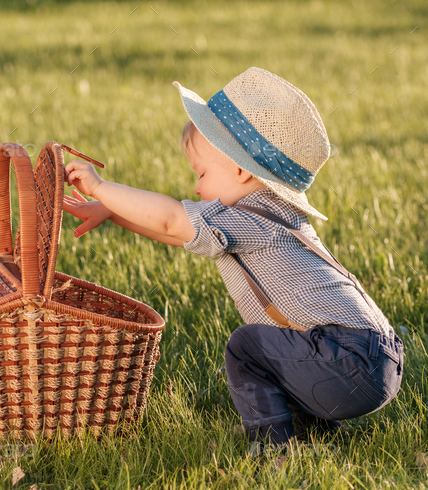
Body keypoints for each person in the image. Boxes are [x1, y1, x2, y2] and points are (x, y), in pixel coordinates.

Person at [62, 66, 404, 446]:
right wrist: (111, 212)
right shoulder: (276, 216)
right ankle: (316, 431)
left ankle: (272, 446)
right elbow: (177, 235)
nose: (196, 186)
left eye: (202, 173)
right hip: (380, 360)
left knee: (247, 348)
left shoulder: (246, 218)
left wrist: (100, 187)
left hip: (345, 360)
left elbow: (172, 219)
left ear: (240, 171)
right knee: (281, 345)